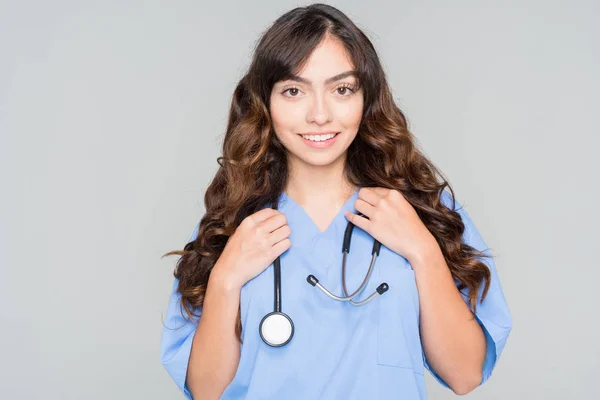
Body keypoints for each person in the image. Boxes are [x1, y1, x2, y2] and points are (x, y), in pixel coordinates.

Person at [159, 3, 512, 399]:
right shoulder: (235, 221)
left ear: (367, 99)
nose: (320, 115)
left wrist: (422, 250)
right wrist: (226, 279)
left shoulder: (420, 207)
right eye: (294, 91)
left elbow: (465, 375)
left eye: (342, 89)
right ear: (265, 103)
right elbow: (207, 392)